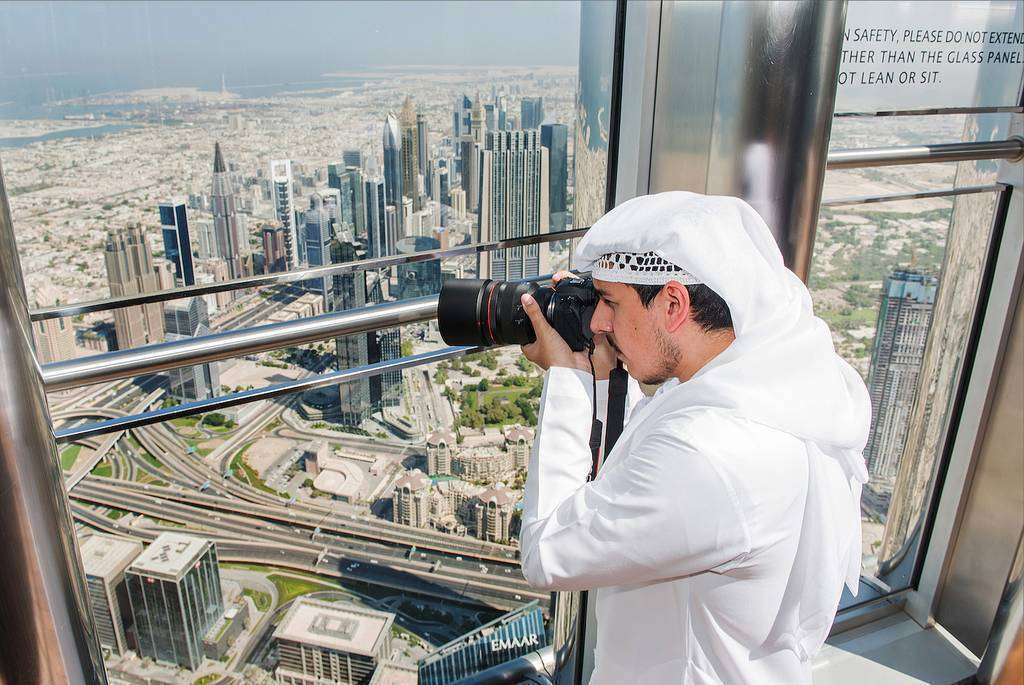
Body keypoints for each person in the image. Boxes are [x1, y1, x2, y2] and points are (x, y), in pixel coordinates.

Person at [518, 191, 870, 684]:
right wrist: (600, 376)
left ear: (674, 303)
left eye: (610, 301)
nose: (598, 321)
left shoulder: (711, 454)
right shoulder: (764, 382)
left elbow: (545, 552)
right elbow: (645, 454)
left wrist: (567, 377)